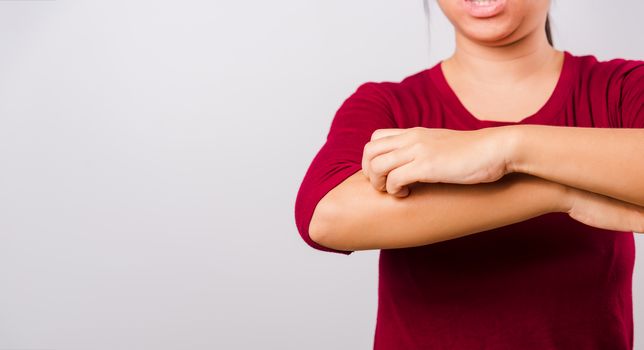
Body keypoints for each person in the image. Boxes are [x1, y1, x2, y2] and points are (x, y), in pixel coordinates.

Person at [294, 0, 644, 348]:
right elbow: (326, 218)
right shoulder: (388, 104)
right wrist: (560, 194)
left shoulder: (622, 89)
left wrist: (509, 148)